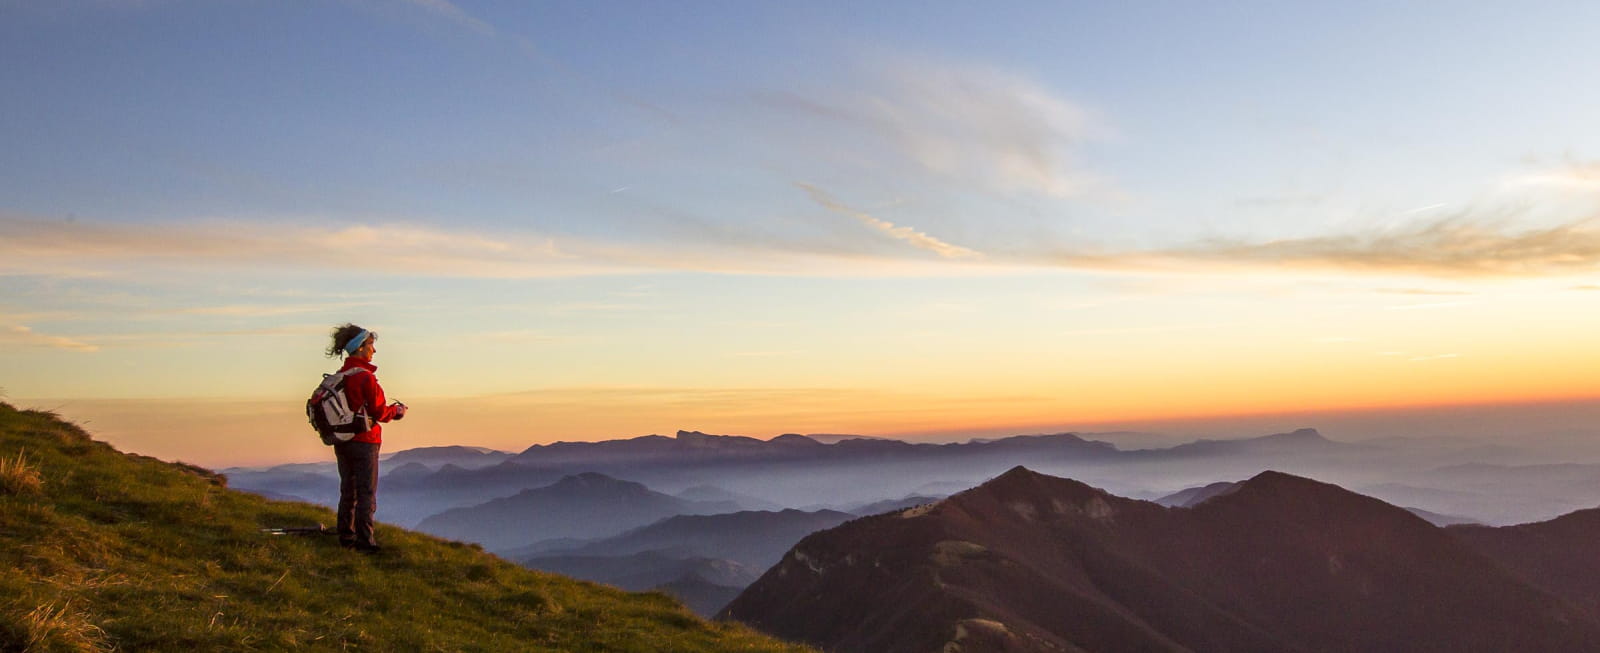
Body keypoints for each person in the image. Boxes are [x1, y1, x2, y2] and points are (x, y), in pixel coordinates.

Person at [325, 323, 407, 553]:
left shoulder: (341, 376)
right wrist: (397, 412)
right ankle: (365, 542)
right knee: (366, 493)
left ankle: (346, 537)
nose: (374, 350)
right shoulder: (365, 378)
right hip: (366, 442)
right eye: (371, 345)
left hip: (343, 441)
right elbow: (380, 412)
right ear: (360, 348)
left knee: (347, 490)